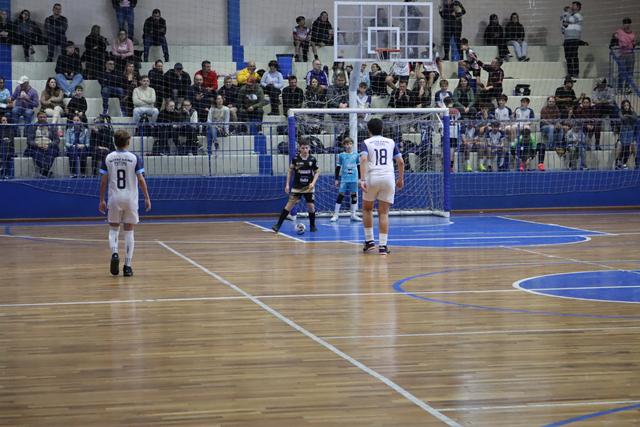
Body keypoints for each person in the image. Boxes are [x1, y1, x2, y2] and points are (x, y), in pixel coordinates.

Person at [99, 129, 151, 277]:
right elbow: (141, 179)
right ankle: (127, 266)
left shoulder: (108, 158)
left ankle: (115, 253)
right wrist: (147, 197)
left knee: (113, 229)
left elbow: (103, 181)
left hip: (114, 198)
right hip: (130, 199)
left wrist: (101, 199)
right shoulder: (134, 158)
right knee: (129, 231)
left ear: (114, 142)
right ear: (128, 142)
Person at [359, 118, 404, 255]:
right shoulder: (391, 142)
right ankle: (383, 246)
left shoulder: (366, 142)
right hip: (388, 178)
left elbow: (363, 159)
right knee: (383, 213)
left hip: (372, 178)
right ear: (382, 129)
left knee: (367, 209)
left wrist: (362, 179)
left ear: (368, 130)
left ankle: (369, 241)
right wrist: (401, 178)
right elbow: (400, 162)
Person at [271, 138, 319, 233]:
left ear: (309, 148)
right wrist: (287, 185)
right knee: (289, 205)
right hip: (297, 187)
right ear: (299, 148)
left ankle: (312, 226)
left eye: (306, 148)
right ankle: (278, 225)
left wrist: (313, 183)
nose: (305, 150)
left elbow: (317, 172)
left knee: (311, 206)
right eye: (303, 148)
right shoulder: (295, 159)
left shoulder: (312, 159)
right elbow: (290, 171)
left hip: (308, 188)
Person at [331, 137, 361, 222]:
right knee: (341, 195)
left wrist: (360, 178)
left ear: (352, 144)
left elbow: (359, 167)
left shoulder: (356, 155)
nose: (349, 146)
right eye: (347, 144)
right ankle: (336, 214)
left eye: (350, 144)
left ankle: (353, 215)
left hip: (354, 178)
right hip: (344, 179)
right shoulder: (341, 155)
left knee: (354, 195)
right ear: (344, 145)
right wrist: (336, 179)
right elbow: (338, 168)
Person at [24, 111, 59, 177]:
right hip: (36, 147)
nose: (42, 118)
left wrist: (49, 145)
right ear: (37, 118)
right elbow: (29, 141)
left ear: (46, 118)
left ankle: (44, 172)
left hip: (49, 146)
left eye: (44, 117)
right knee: (36, 153)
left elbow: (57, 140)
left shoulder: (52, 127)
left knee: (52, 152)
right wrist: (38, 145)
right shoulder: (32, 127)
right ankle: (46, 172)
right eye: (41, 117)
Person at [612, 18, 636, 94]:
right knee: (621, 72)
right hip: (622, 54)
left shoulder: (632, 34)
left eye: (628, 23)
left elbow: (634, 43)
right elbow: (614, 36)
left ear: (630, 24)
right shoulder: (619, 31)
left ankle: (627, 88)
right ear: (623, 24)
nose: (626, 25)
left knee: (630, 72)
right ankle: (619, 88)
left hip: (630, 54)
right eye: (625, 23)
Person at [562, 1, 584, 78]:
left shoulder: (578, 15)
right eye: (572, 5)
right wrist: (564, 25)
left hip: (574, 39)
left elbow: (571, 20)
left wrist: (567, 13)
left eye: (573, 5)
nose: (571, 7)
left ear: (578, 7)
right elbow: (564, 24)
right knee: (567, 57)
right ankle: (570, 73)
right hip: (567, 39)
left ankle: (576, 73)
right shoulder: (570, 15)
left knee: (574, 56)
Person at [616, 99, 637, 169]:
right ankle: (618, 161)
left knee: (629, 147)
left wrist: (627, 115)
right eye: (625, 105)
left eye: (627, 105)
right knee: (623, 146)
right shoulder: (620, 111)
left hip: (630, 132)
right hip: (623, 132)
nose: (626, 107)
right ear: (623, 106)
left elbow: (635, 118)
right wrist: (630, 117)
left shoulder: (632, 112)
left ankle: (624, 162)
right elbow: (622, 118)